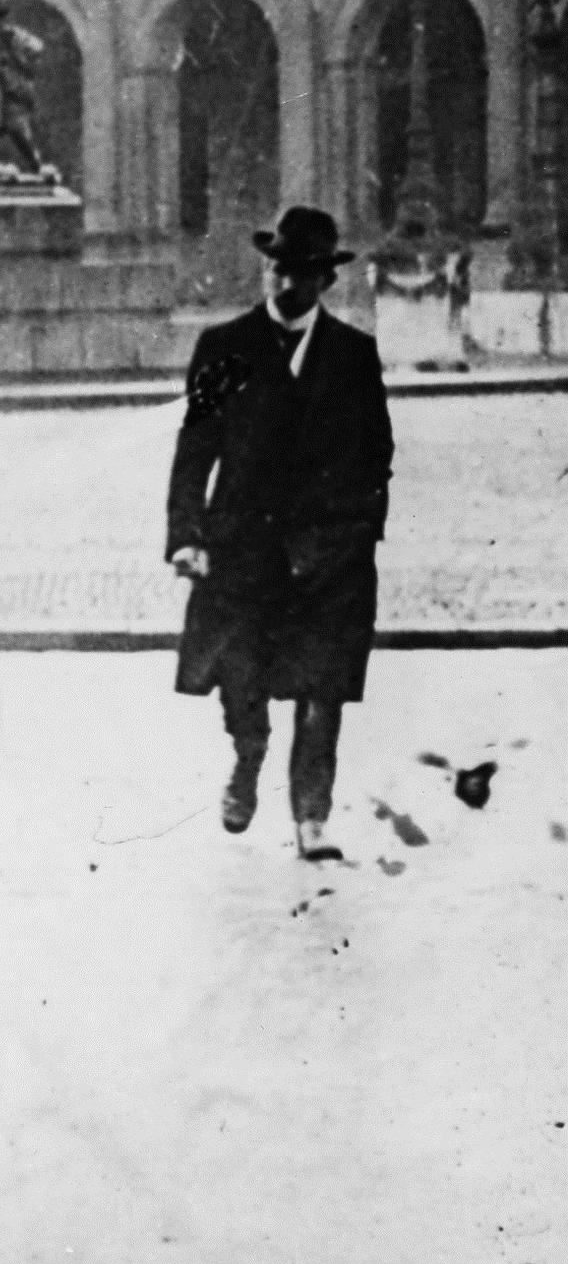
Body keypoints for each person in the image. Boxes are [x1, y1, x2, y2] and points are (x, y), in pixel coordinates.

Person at [167, 203, 391, 863]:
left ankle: (312, 817)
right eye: (275, 267)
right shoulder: (227, 349)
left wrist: (356, 533)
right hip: (242, 545)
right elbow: (196, 448)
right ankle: (248, 754)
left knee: (323, 686)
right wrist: (187, 534)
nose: (283, 281)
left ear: (325, 280)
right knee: (241, 672)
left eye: (298, 271)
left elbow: (375, 456)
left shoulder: (352, 357)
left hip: (328, 554)